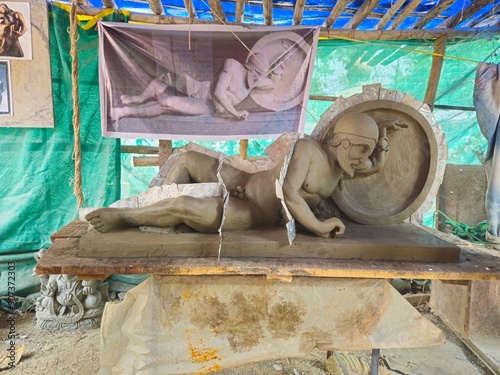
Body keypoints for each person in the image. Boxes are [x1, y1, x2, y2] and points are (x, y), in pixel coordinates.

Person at [87, 113, 405, 238]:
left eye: (369, 149)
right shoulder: (309, 150)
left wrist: (385, 136)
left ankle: (125, 217)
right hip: (245, 182)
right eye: (363, 149)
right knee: (186, 157)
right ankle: (151, 216)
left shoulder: (343, 167)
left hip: (252, 211)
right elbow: (291, 192)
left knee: (185, 203)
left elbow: (376, 165)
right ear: (345, 142)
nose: (366, 158)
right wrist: (321, 226)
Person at [110, 52, 275, 122]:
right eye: (256, 73)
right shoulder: (232, 65)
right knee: (165, 79)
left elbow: (272, 84)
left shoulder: (256, 81)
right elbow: (218, 92)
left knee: (166, 103)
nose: (257, 77)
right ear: (248, 66)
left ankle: (125, 112)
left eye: (260, 75)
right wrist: (236, 112)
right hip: (201, 89)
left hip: (207, 106)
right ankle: (138, 98)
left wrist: (274, 71)